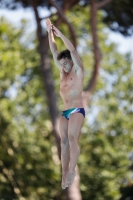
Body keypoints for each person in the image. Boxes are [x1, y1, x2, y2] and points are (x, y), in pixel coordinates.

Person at [46, 18, 85, 189]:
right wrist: (49, 32)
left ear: (71, 61)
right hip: (65, 112)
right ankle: (64, 174)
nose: (62, 66)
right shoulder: (62, 72)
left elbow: (72, 49)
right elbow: (53, 50)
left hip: (77, 110)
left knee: (71, 137)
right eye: (61, 64)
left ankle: (72, 170)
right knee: (63, 143)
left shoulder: (78, 70)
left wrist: (60, 34)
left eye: (65, 63)